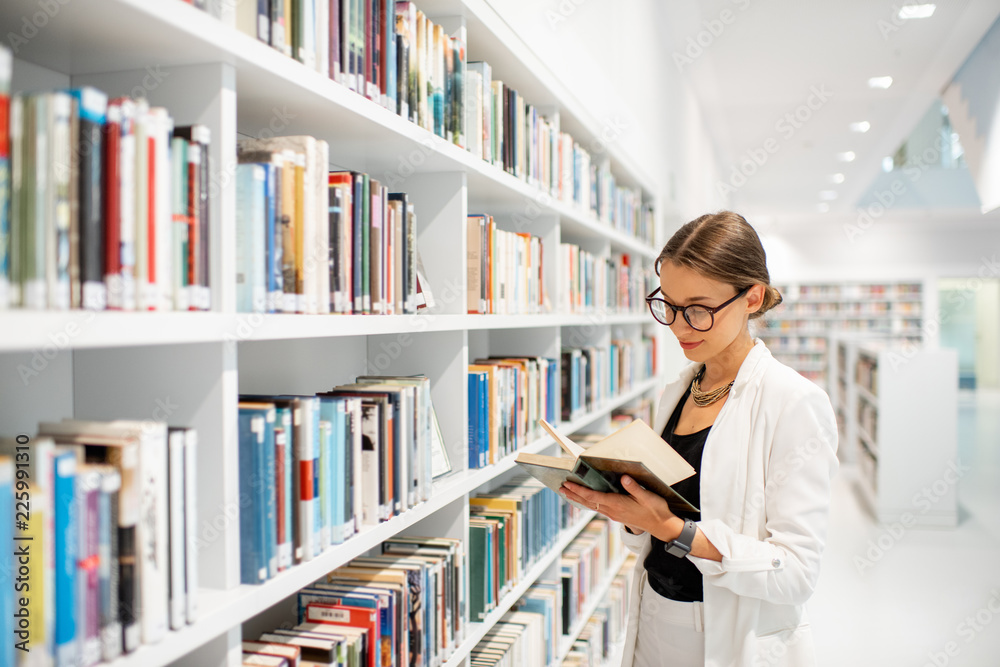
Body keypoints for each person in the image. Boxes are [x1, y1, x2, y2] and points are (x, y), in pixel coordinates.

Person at [560, 211, 838, 667]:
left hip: (726, 633)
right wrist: (625, 508)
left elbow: (795, 573)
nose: (678, 326)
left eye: (699, 309)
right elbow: (645, 540)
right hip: (652, 616)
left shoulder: (794, 402)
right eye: (668, 305)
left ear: (753, 297)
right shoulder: (675, 395)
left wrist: (674, 529)